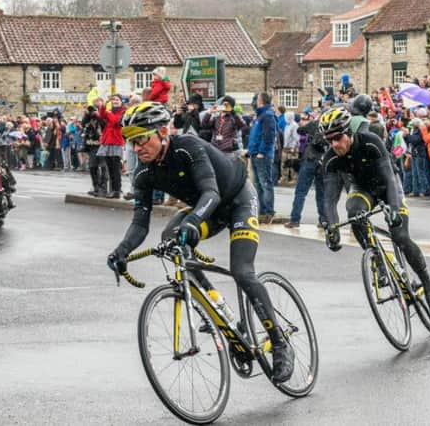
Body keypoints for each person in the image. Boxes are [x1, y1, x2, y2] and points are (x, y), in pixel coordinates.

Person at [107, 101, 294, 383]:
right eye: (131, 143)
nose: (137, 149)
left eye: (141, 139)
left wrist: (193, 221)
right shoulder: (144, 173)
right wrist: (121, 251)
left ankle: (279, 342)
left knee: (242, 272)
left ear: (162, 132)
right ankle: (218, 307)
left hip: (237, 200)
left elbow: (211, 193)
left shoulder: (187, 146)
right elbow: (139, 224)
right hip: (208, 209)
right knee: (170, 239)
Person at [320, 107, 430, 319]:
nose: (334, 144)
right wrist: (331, 227)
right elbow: (330, 199)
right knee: (353, 212)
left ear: (349, 132)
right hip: (362, 189)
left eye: (338, 138)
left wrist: (394, 210)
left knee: (400, 236)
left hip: (388, 186)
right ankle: (377, 260)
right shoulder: (331, 159)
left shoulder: (370, 142)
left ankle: (429, 286)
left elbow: (388, 177)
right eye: (329, 140)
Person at [248, 92, 277, 224]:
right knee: (258, 185)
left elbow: (269, 136)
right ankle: (261, 210)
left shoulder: (267, 116)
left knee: (265, 183)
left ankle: (268, 212)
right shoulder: (260, 116)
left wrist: (262, 152)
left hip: (262, 155)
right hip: (255, 153)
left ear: (261, 101)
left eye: (257, 99)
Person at [96, 95, 126, 199]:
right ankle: (113, 190)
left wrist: (108, 113)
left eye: (117, 100)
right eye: (114, 100)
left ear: (121, 102)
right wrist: (104, 104)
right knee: (109, 167)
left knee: (115, 168)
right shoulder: (110, 111)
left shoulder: (123, 111)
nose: (115, 101)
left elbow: (115, 121)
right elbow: (101, 114)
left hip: (116, 141)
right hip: (107, 141)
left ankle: (117, 190)